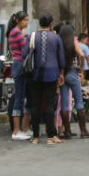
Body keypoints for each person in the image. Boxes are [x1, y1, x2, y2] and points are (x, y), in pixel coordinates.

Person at [22, 14, 66, 145]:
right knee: (50, 105)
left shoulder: (31, 36)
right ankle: (51, 135)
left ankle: (35, 136)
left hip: (34, 75)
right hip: (51, 74)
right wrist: (61, 73)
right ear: (51, 23)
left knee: (35, 105)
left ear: (39, 24)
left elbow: (24, 54)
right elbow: (61, 58)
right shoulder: (56, 37)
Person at [57, 24, 89, 139]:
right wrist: (81, 70)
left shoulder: (59, 41)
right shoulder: (73, 41)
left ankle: (67, 131)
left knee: (64, 104)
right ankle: (83, 131)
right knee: (79, 101)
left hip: (62, 74)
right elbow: (82, 55)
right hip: (72, 73)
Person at [6, 11, 32, 140]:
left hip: (19, 65)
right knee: (19, 98)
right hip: (19, 65)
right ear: (18, 21)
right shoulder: (16, 32)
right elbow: (26, 47)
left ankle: (24, 129)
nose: (27, 22)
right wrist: (29, 38)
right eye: (25, 20)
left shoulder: (16, 32)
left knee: (24, 97)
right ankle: (16, 131)